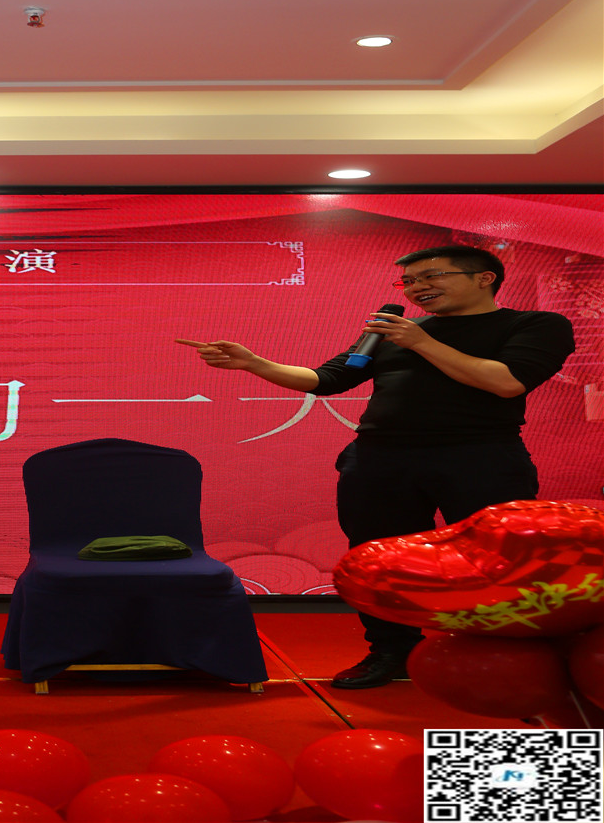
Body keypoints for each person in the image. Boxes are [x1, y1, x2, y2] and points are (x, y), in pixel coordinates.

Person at [178, 245, 575, 689]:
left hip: (481, 457)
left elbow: (506, 382)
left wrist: (421, 342)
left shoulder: (534, 325)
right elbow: (327, 379)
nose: (417, 288)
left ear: (484, 278)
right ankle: (392, 651)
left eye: (432, 276)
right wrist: (254, 363)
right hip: (381, 459)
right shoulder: (393, 332)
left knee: (494, 560)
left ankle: (504, 656)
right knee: (379, 560)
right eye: (409, 281)